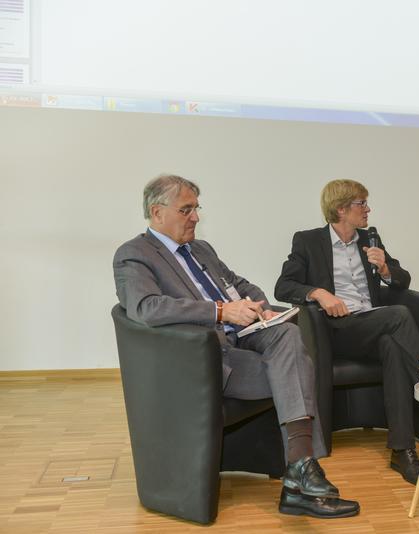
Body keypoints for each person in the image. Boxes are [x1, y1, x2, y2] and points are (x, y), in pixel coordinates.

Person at [112, 174, 359, 519]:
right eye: (186, 209)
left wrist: (262, 307)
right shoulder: (134, 254)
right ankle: (300, 476)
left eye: (196, 208)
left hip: (242, 335)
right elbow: (147, 307)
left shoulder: (201, 249)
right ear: (157, 212)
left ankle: (299, 470)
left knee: (288, 334)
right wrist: (219, 311)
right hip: (206, 356)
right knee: (296, 370)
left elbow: (237, 283)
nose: (196, 217)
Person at [274, 179, 419, 486]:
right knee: (399, 316)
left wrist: (386, 269)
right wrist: (319, 293)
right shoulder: (308, 241)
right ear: (341, 209)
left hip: (375, 324)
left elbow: (402, 279)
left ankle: (402, 450)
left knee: (393, 344)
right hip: (338, 329)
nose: (368, 209)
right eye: (361, 204)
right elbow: (283, 286)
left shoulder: (370, 239)